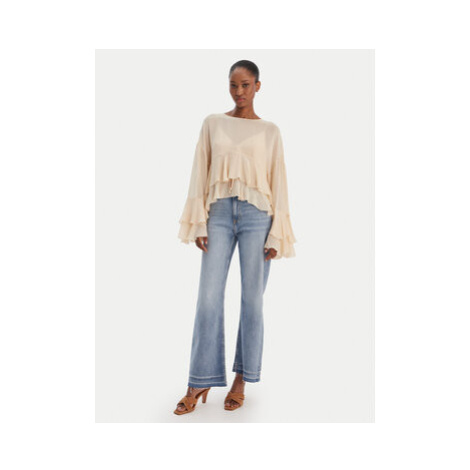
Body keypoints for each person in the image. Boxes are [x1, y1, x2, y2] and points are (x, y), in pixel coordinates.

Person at [174, 60, 296, 415]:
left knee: (252, 301)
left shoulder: (270, 131)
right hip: (218, 214)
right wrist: (198, 222)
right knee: (208, 299)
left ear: (258, 86)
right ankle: (199, 380)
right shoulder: (213, 123)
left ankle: (241, 379)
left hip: (259, 217)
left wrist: (277, 233)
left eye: (245, 85)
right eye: (233, 85)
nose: (239, 91)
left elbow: (278, 179)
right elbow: (200, 169)